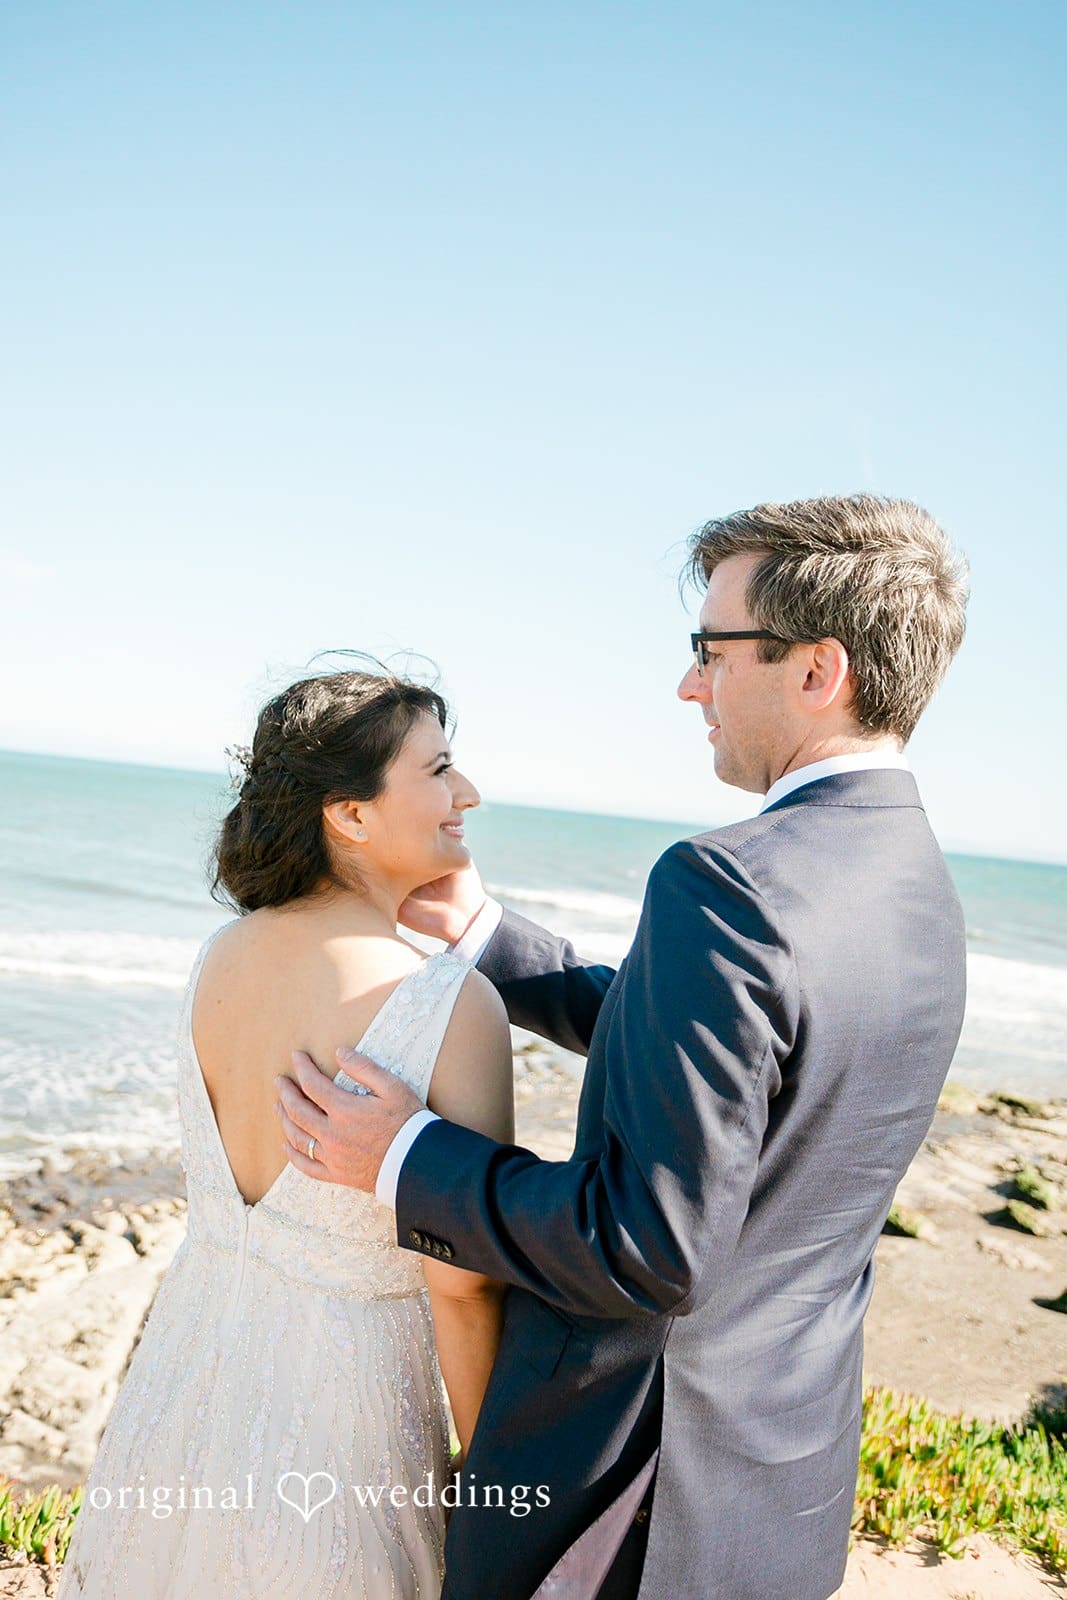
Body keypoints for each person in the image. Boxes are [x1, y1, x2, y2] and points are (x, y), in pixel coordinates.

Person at [276, 494, 971, 1600]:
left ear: (816, 669)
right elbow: (733, 1063)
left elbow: (644, 1244)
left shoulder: (724, 882)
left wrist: (404, 1154)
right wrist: (487, 939)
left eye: (709, 649)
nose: (689, 683)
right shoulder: (916, 881)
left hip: (627, 1497)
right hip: (777, 1482)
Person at [58, 669, 514, 1600]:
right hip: (345, 1432)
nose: (466, 794)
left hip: (185, 1387)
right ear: (348, 814)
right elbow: (463, 1288)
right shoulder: (449, 1005)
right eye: (439, 770)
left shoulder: (223, 953)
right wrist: (498, 1479)